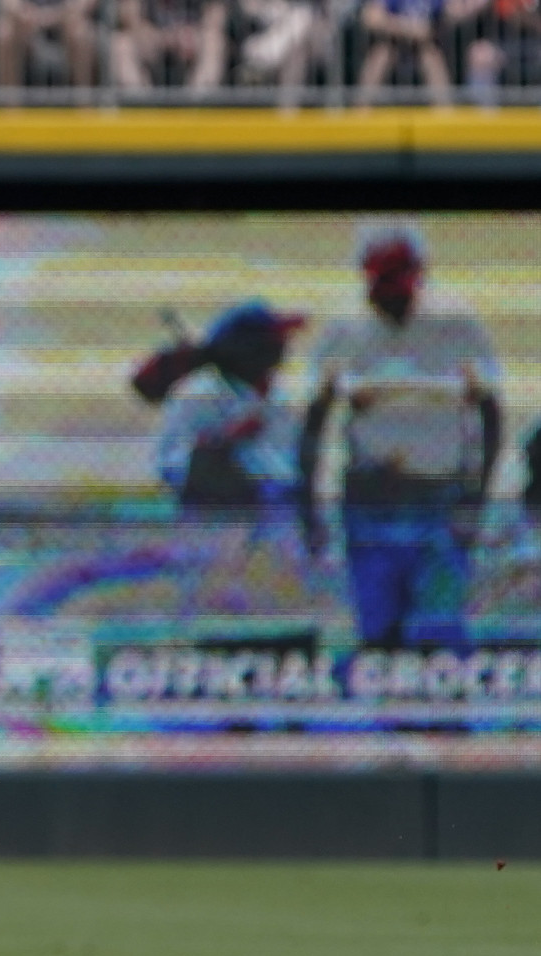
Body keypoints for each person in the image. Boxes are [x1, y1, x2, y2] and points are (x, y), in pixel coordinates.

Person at [299, 228, 502, 649]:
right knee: (377, 631)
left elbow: (490, 412)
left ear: (417, 276)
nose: (384, 290)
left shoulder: (456, 326)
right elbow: (314, 420)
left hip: (440, 496)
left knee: (439, 631)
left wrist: (478, 495)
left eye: (395, 278)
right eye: (377, 279)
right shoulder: (343, 330)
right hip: (369, 498)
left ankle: (441, 715)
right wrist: (309, 505)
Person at [131, 300, 306, 512]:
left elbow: (284, 463)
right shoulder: (199, 393)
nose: (283, 348)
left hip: (272, 505)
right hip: (213, 511)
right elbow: (175, 465)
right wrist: (225, 439)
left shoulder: (275, 394)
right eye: (275, 342)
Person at [112, 0, 228, 91]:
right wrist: (162, 37)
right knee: (121, 44)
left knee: (213, 42)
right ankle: (141, 110)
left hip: (193, 39)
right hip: (150, 41)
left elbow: (216, 16)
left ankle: (197, 109)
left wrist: (191, 35)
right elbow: (129, 18)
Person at [355, 0, 453, 103]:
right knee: (380, 55)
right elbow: (371, 17)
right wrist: (407, 28)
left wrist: (431, 29)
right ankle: (361, 111)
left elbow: (453, 12)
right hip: (393, 42)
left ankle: (444, 113)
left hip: (425, 44)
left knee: (432, 57)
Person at [0, 0, 98, 93]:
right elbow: (8, 3)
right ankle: (9, 110)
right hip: (27, 26)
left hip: (66, 25)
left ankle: (84, 107)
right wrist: (23, 12)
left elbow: (85, 3)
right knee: (3, 32)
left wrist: (59, 14)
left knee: (81, 32)